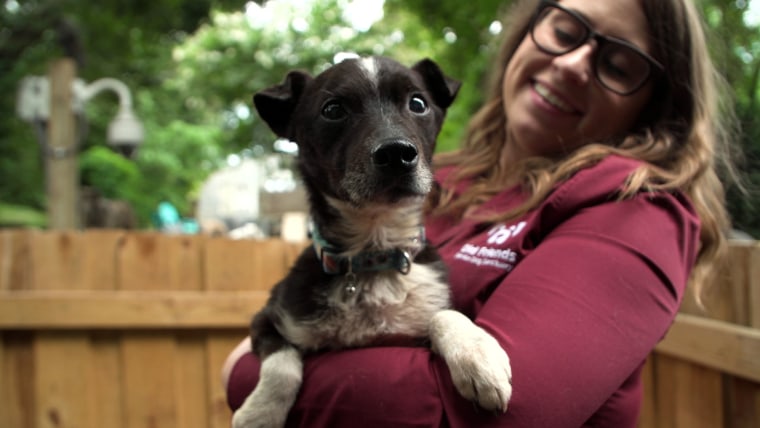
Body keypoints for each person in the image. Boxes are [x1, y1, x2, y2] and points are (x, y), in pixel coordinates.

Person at [223, 0, 741, 426]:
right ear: (525, 33)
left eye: (617, 65)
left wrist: (245, 373)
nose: (572, 63)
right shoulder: (446, 182)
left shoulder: (637, 207)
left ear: (653, 101)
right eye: (565, 30)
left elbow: (495, 411)